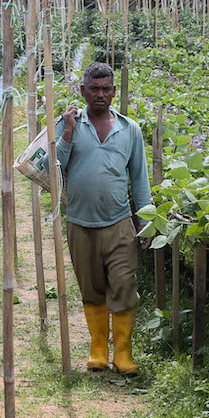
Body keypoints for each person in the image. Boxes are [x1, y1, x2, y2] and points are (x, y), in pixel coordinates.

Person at [56, 62, 152, 375]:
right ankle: (98, 346)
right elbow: (54, 166)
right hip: (80, 222)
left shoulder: (130, 129)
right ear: (83, 91)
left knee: (124, 285)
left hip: (119, 222)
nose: (101, 94)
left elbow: (139, 179)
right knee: (92, 287)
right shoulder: (68, 123)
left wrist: (145, 221)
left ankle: (123, 353)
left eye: (106, 88)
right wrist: (68, 130)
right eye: (94, 88)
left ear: (113, 91)